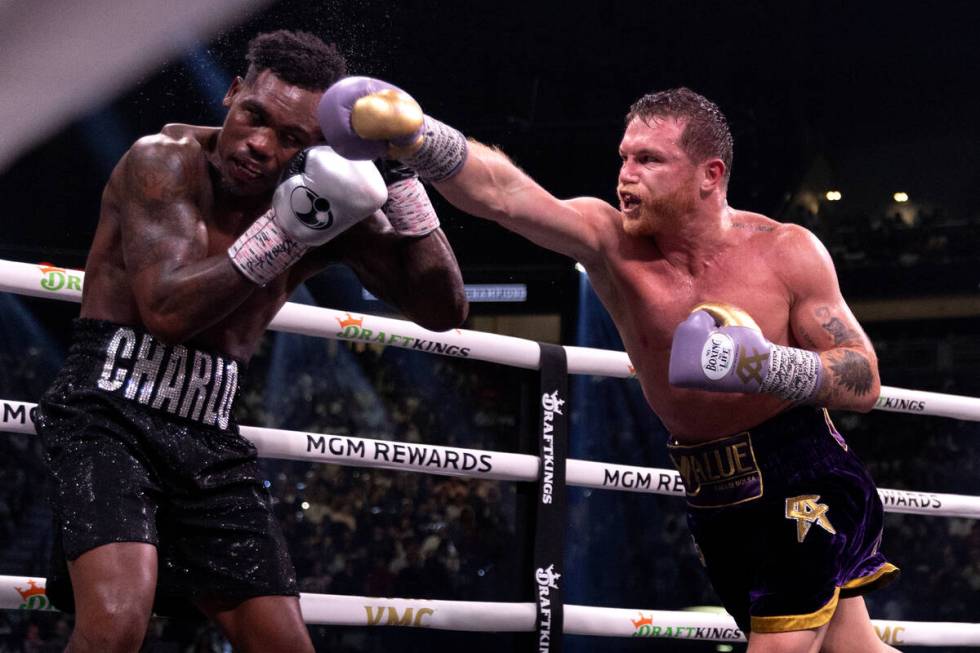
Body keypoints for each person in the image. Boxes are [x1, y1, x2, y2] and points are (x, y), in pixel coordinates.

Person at [318, 79, 899, 652]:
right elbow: (505, 194)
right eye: (624, 157)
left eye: (650, 159)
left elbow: (862, 376)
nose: (626, 174)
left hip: (803, 473)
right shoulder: (609, 242)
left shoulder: (785, 250)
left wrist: (764, 365)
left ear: (710, 175)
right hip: (713, 493)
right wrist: (417, 138)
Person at [35, 33, 467, 653]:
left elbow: (443, 309)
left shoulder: (323, 194)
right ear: (233, 94)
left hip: (208, 433)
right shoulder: (162, 161)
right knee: (115, 625)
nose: (261, 145)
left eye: (292, 138)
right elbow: (167, 310)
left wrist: (402, 170)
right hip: (106, 413)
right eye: (254, 117)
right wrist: (288, 231)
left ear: (318, 147)